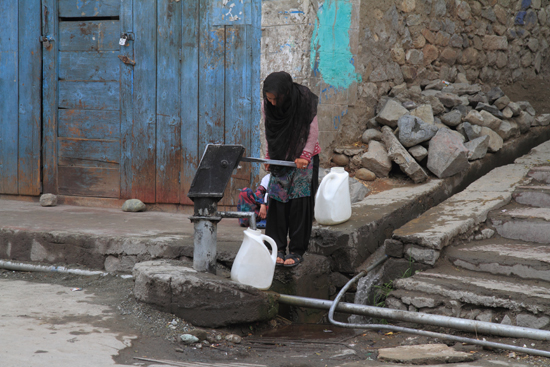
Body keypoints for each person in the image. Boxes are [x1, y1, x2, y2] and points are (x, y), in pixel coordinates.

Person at [262, 71, 320, 267]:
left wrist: (305, 155)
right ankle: (276, 247)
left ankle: (296, 250)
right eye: (268, 99)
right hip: (280, 156)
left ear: (285, 93)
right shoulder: (267, 105)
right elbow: (269, 129)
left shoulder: (304, 100)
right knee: (277, 200)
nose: (271, 103)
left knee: (299, 203)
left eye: (274, 99)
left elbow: (312, 130)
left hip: (304, 157)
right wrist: (269, 156)